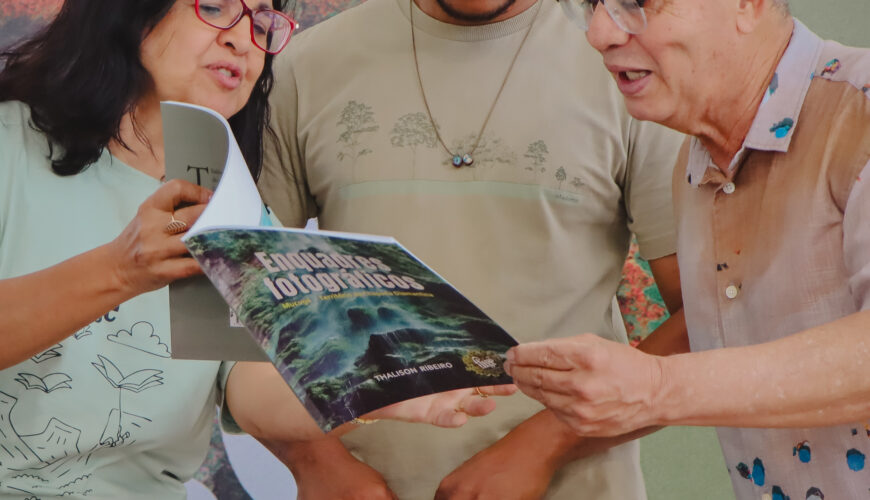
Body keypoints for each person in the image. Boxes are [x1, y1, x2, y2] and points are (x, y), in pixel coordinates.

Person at [0, 1, 514, 498]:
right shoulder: (10, 144)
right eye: (215, 7)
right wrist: (120, 270)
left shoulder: (234, 206)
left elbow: (249, 386)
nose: (242, 40)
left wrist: (370, 389)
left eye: (262, 22)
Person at [258, 0, 687, 497]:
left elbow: (704, 317)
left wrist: (544, 446)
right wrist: (315, 461)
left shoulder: (624, 65)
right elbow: (240, 303)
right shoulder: (306, 67)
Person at [505, 0, 870, 498]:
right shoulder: (693, 166)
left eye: (635, 3)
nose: (598, 32)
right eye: (591, 4)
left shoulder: (861, 109)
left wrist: (657, 386)